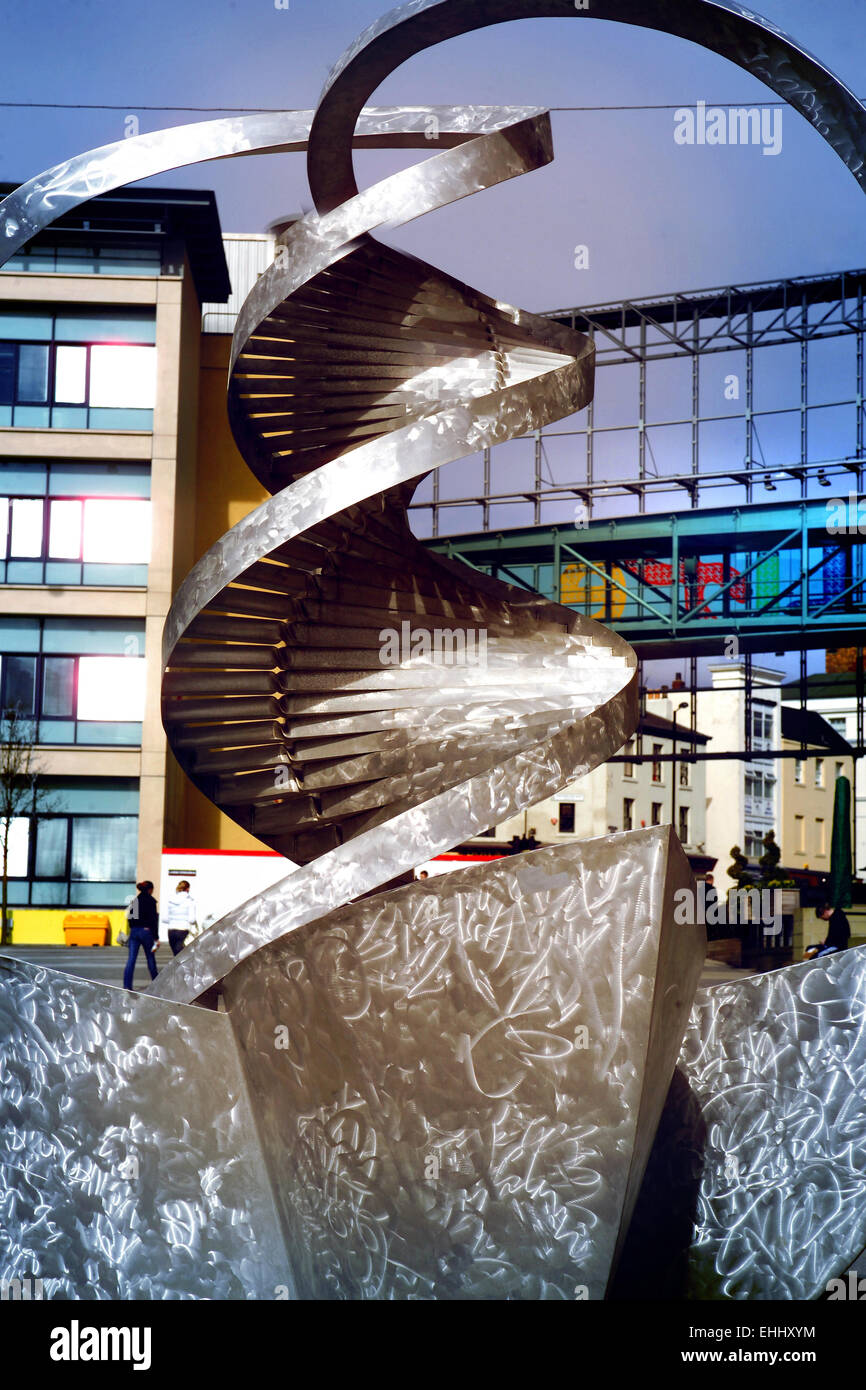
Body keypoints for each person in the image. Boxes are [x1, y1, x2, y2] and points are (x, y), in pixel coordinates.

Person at [123, 881, 159, 990]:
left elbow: (129, 918)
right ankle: (158, 984)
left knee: (131, 959)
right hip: (146, 932)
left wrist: (134, 927)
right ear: (150, 889)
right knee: (150, 958)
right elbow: (153, 920)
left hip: (134, 932)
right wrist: (156, 937)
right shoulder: (151, 901)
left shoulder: (135, 901)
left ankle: (127, 985)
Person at [165, 879, 198, 955]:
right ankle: (184, 966)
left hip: (171, 929)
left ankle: (178, 966)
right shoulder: (190, 901)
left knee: (175, 953)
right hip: (183, 929)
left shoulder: (170, 900)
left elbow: (165, 918)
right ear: (188, 889)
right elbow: (192, 920)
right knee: (181, 953)